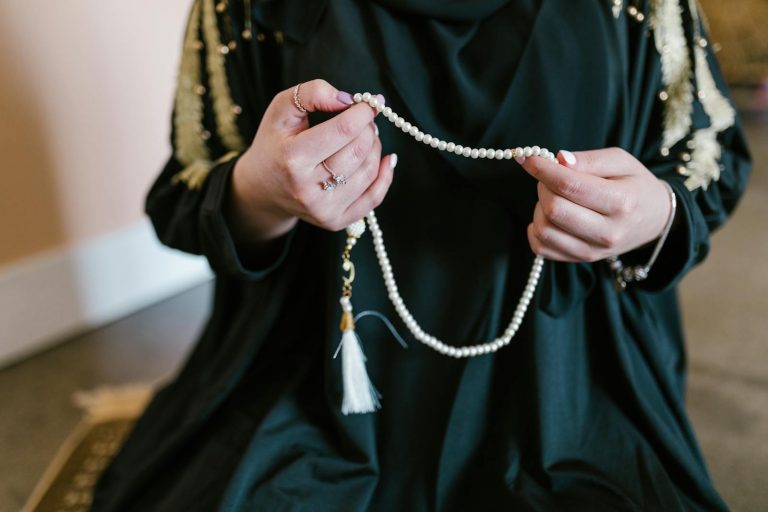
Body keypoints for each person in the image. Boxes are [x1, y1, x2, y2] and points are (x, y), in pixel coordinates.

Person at [92, 0, 751, 510]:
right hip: (311, 381)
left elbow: (706, 153)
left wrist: (655, 212)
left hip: (572, 387)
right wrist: (259, 194)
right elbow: (189, 183)